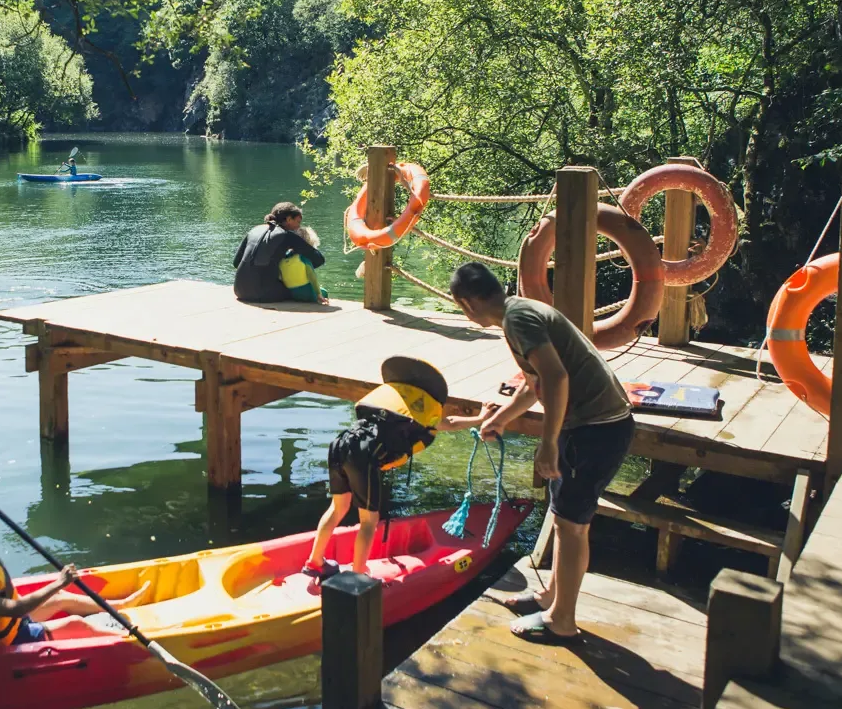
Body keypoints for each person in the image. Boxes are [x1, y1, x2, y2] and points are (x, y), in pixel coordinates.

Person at [449, 261, 635, 645]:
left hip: (598, 428)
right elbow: (534, 384)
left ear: (467, 303)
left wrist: (548, 442)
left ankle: (562, 620)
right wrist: (500, 419)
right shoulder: (517, 312)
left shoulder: (519, 319)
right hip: (587, 426)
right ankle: (552, 597)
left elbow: (556, 377)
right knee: (566, 515)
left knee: (572, 525)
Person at [0, 491, 148, 651]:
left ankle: (121, 605)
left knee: (60, 600)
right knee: (75, 624)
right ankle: (131, 642)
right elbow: (17, 609)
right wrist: (59, 581)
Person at [303, 357, 476, 579]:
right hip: (363, 454)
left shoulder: (389, 402)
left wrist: (481, 417)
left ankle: (315, 562)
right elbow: (448, 423)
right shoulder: (419, 415)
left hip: (341, 442)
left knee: (338, 508)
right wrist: (482, 418)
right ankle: (358, 575)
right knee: (369, 521)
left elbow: (447, 423)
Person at [233, 202, 326, 303]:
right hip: (265, 294)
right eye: (298, 222)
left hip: (239, 290)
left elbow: (236, 263)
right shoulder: (287, 236)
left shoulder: (255, 230)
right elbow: (319, 259)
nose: (298, 227)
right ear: (289, 219)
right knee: (296, 290)